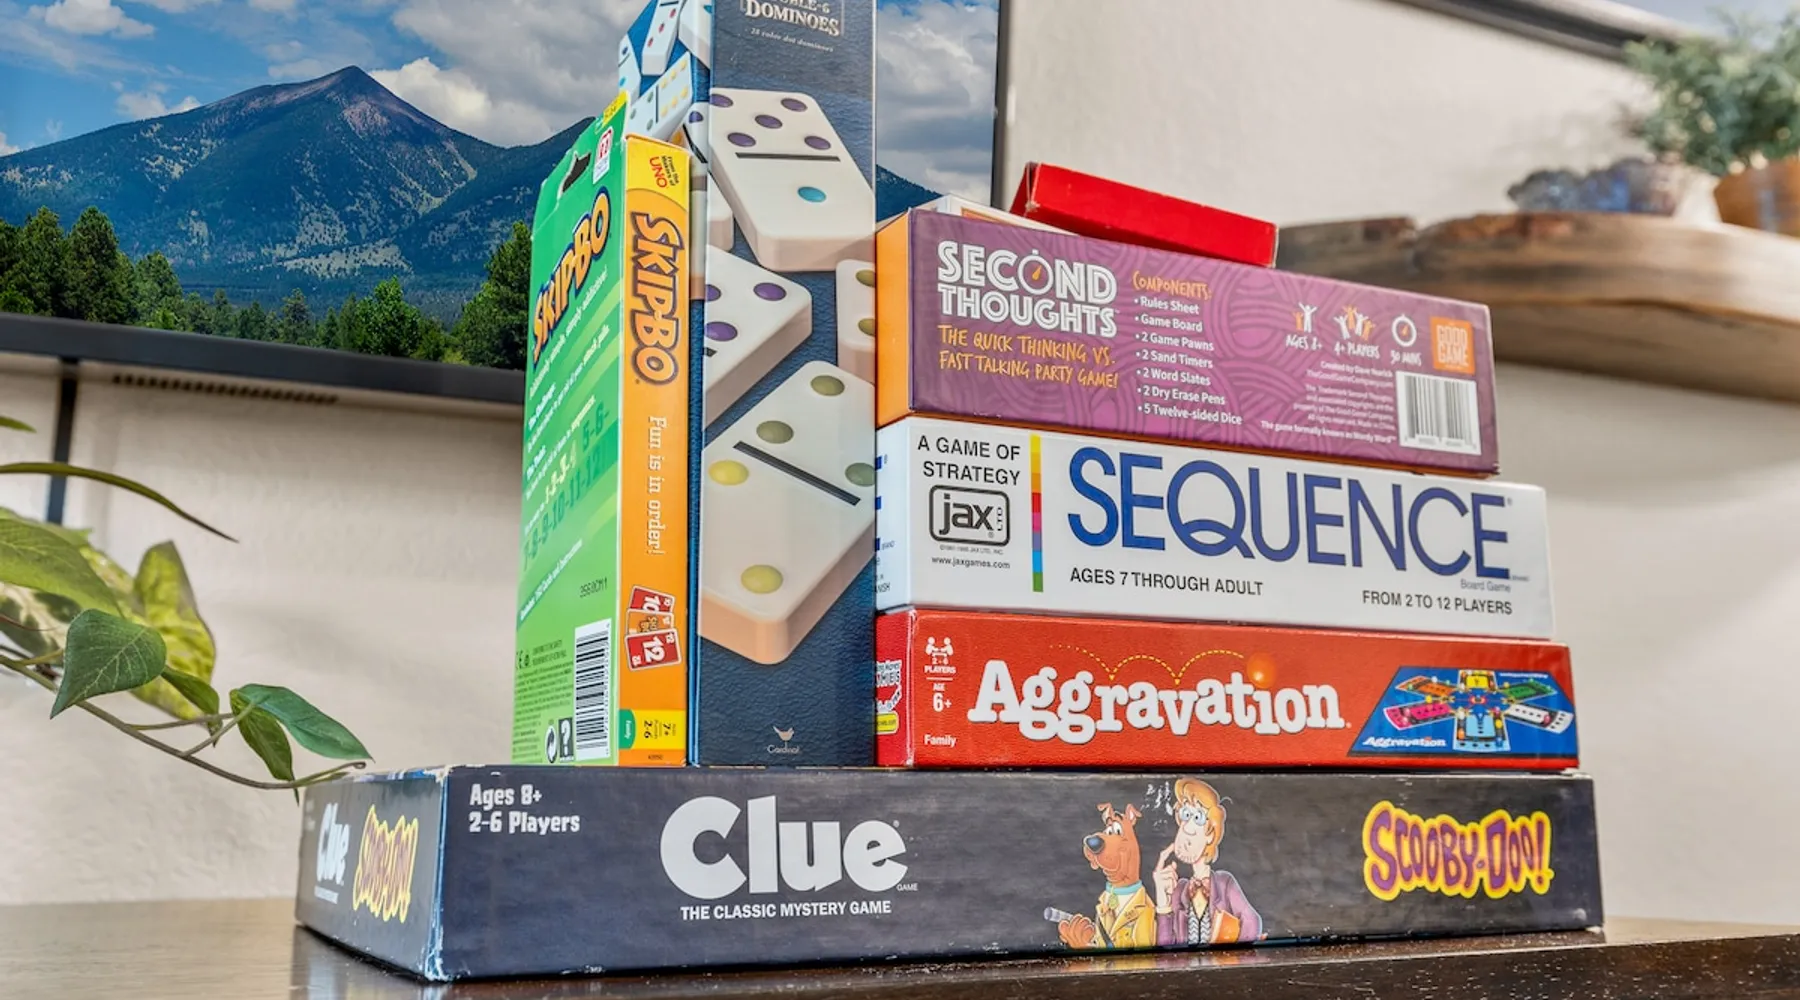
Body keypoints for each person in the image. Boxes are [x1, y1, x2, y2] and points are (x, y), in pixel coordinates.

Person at [1152, 778, 1262, 946]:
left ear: (1211, 834)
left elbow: (1252, 922)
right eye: (1186, 815)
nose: (1187, 827)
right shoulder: (1179, 889)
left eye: (1198, 818)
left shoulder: (1224, 883)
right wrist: (1163, 905)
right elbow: (1164, 948)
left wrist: (1230, 955)